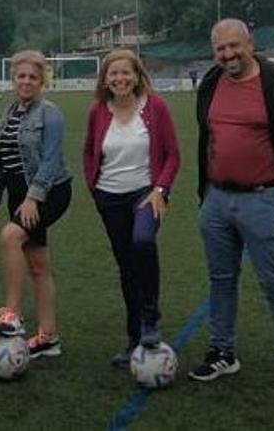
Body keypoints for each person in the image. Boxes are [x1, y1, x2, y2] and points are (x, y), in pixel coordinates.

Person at [190, 19, 274, 401]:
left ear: (250, 43)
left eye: (234, 46)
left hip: (263, 199)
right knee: (221, 280)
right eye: (220, 49)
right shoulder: (211, 82)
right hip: (215, 200)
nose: (228, 55)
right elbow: (207, 134)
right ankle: (222, 353)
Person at [82, 49, 180, 368]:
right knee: (126, 267)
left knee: (142, 242)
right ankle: (134, 338)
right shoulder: (98, 111)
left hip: (145, 194)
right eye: (114, 74)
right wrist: (95, 189)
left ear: (137, 76)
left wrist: (160, 190)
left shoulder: (155, 108)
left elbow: (172, 155)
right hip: (109, 198)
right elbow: (88, 154)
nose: (120, 79)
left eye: (126, 73)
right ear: (105, 79)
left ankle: (150, 320)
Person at [0, 50, 72, 359]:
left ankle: (12, 315)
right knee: (37, 265)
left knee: (10, 237)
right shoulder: (6, 113)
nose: (26, 81)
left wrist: (34, 198)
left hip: (50, 192)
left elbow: (50, 161)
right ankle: (48, 337)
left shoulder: (50, 113)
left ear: (42, 80)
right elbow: (3, 161)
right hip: (18, 195)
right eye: (21, 76)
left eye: (33, 77)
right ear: (13, 79)